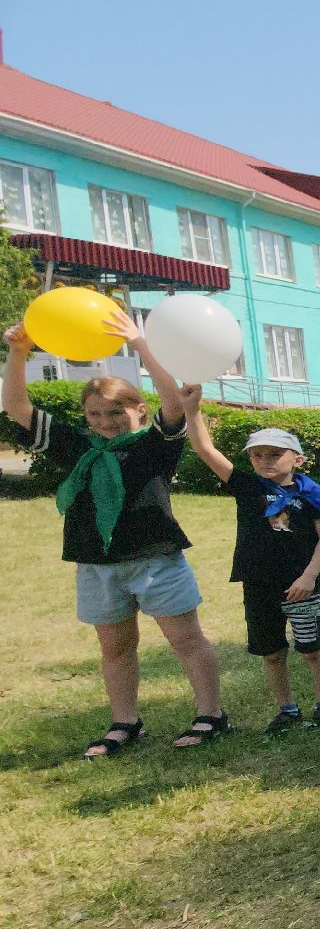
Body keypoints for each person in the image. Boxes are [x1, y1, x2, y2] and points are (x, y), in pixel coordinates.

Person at [3, 314, 223, 756]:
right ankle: (125, 722)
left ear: (138, 409)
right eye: (95, 414)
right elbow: (17, 409)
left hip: (155, 559)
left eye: (116, 412)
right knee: (116, 648)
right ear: (85, 416)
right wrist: (19, 351)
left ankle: (211, 715)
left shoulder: (154, 443)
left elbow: (175, 403)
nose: (106, 421)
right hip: (97, 563)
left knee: (185, 639)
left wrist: (141, 346)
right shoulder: (78, 447)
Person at [181, 395, 320, 734]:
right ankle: (287, 708)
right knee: (271, 652)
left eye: (274, 454)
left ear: (297, 458)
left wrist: (308, 577)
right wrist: (192, 409)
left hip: (300, 586)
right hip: (257, 583)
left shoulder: (310, 494)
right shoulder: (248, 487)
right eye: (257, 454)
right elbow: (204, 449)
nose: (264, 460)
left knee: (312, 649)